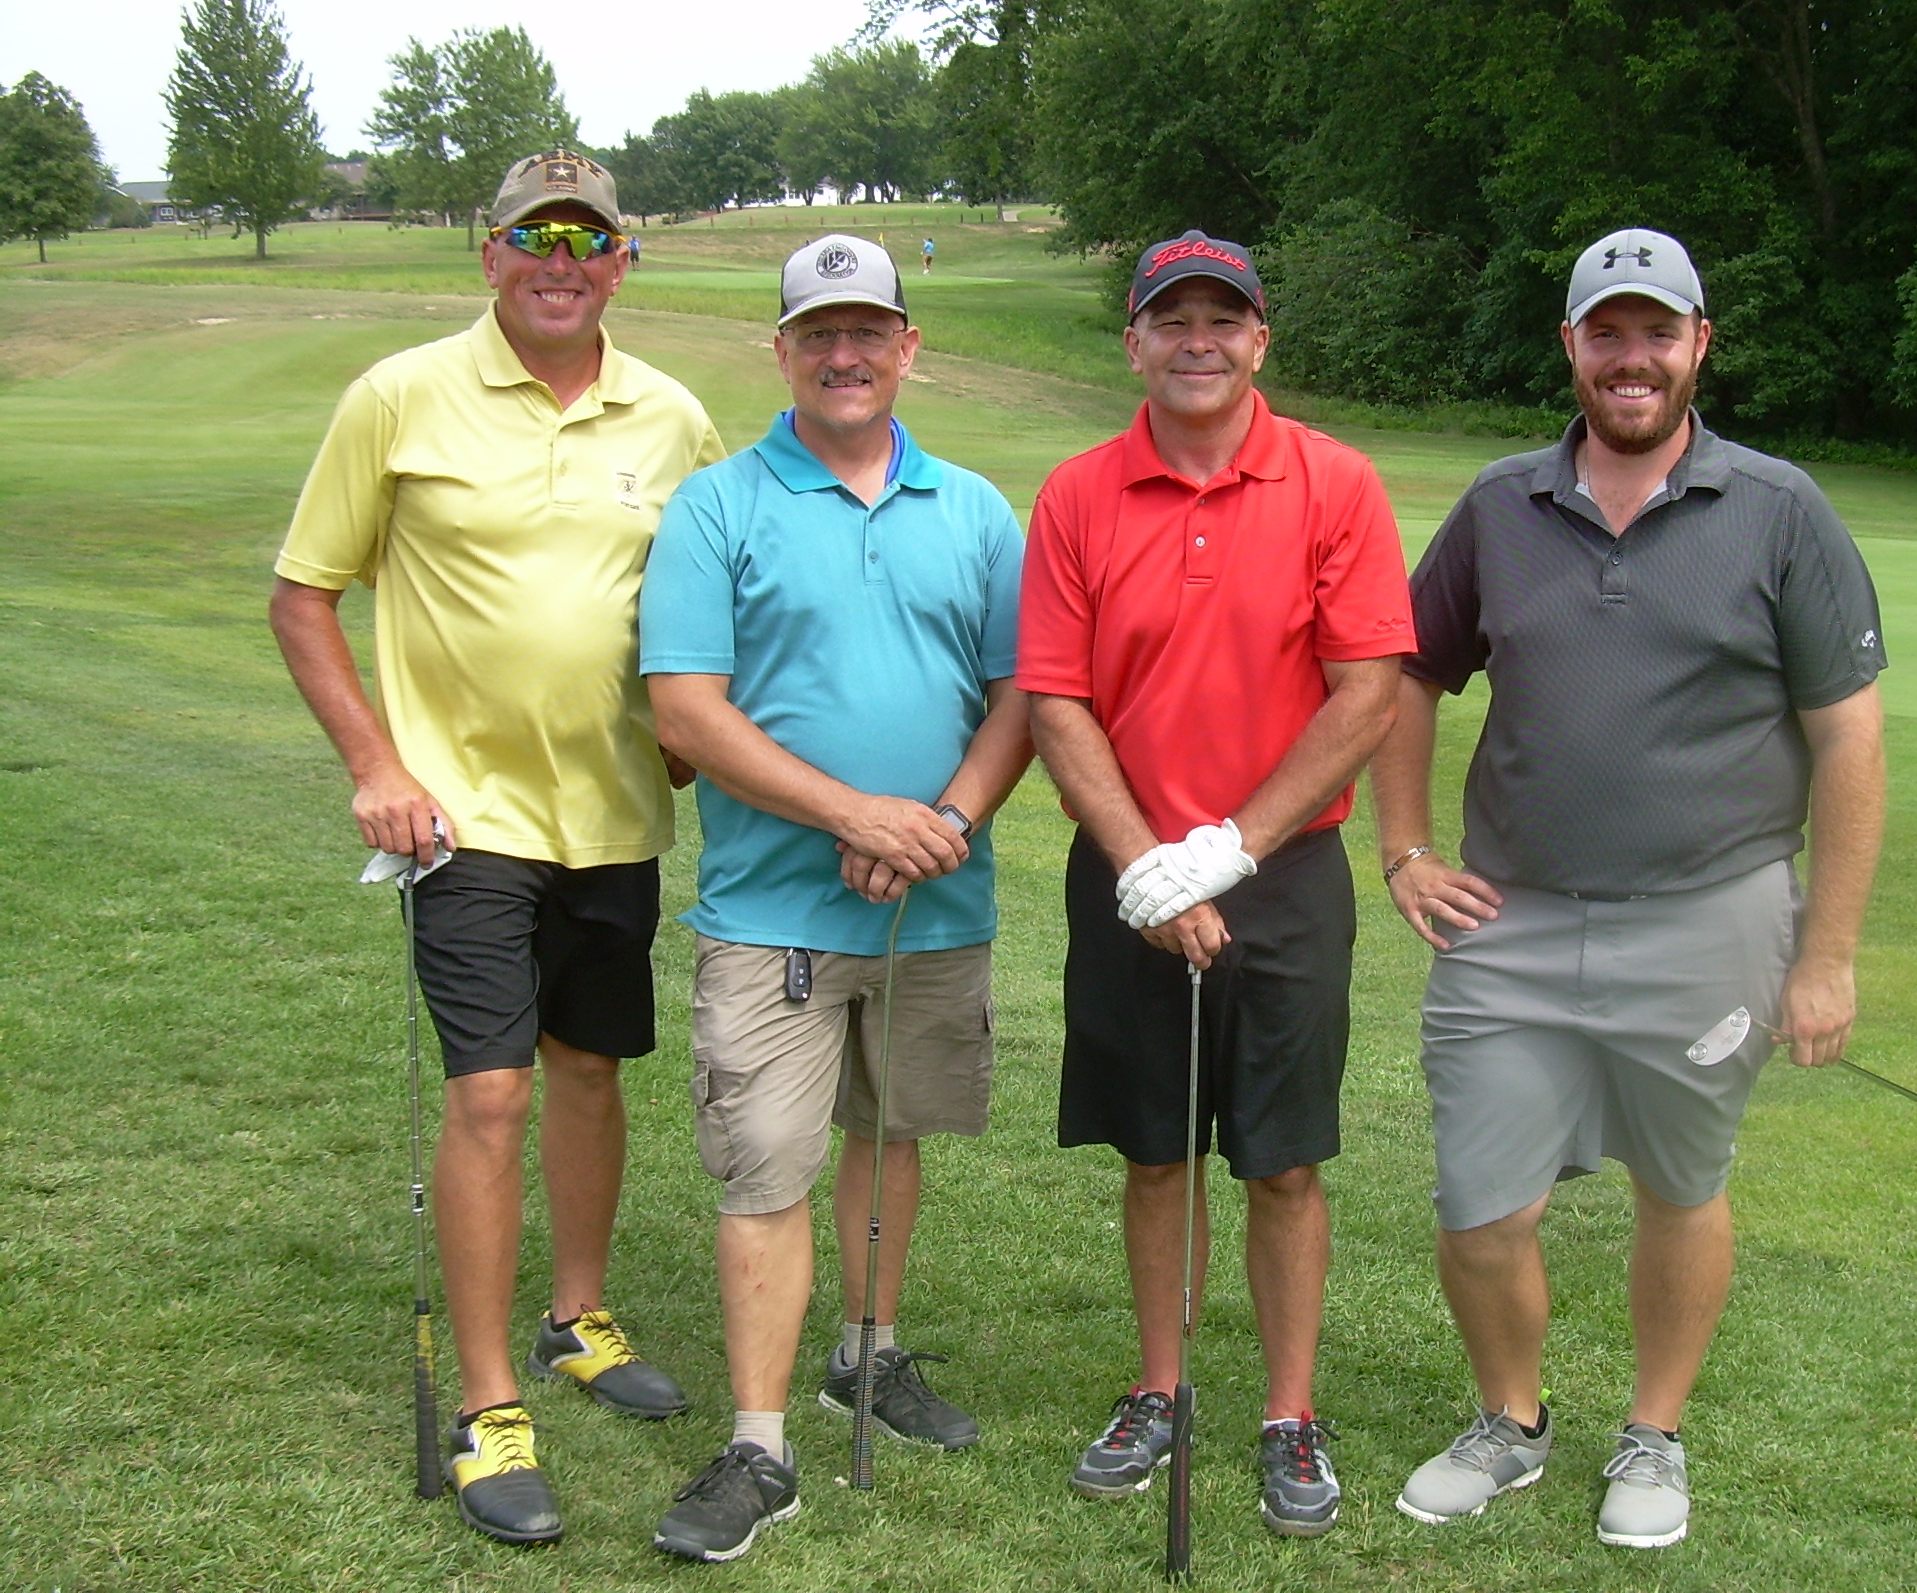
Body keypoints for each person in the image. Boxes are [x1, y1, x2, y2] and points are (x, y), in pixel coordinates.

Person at [1371, 228, 1888, 1549]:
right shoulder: (1500, 505)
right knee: (1482, 1206)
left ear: (1699, 345)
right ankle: (1512, 1422)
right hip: (1514, 917)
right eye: (1609, 332)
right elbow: (1411, 675)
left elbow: (1850, 738)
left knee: (1682, 1184)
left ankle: (1653, 1436)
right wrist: (1405, 847)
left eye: (1658, 331)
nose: (1633, 357)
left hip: (1711, 917)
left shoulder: (1778, 509)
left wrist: (1825, 957)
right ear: (1573, 348)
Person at [270, 150, 725, 1545]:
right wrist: (375, 765)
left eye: (590, 236)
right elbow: (304, 597)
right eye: (537, 233)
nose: (562, 258)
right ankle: (485, 1405)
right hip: (459, 821)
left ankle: (577, 1316)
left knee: (590, 1071)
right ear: (491, 252)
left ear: (623, 262)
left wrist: (701, 736)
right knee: (492, 1097)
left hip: (616, 817)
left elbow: (717, 600)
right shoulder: (400, 396)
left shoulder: (675, 416)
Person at [638, 234, 1030, 1562]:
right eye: (820, 333)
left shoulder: (976, 511)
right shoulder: (721, 505)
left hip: (933, 906)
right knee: (766, 1166)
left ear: (908, 347)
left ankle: (868, 1353)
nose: (847, 354)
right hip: (774, 914)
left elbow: (1019, 700)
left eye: (870, 331)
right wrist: (852, 814)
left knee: (891, 1131)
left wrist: (940, 827)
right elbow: (686, 707)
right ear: (785, 351)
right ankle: (761, 1447)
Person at [1019, 230, 1416, 1538]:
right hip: (1125, 870)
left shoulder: (1336, 483)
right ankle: (1160, 1387)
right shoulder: (1080, 494)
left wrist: (1229, 852)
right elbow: (1059, 701)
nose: (1199, 339)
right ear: (1134, 340)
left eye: (1223, 318)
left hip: (1285, 874)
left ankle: (1289, 1412)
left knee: (1285, 1161)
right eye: (1170, 318)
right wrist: (1147, 868)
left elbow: (1364, 698)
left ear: (1261, 340)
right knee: (1154, 1152)